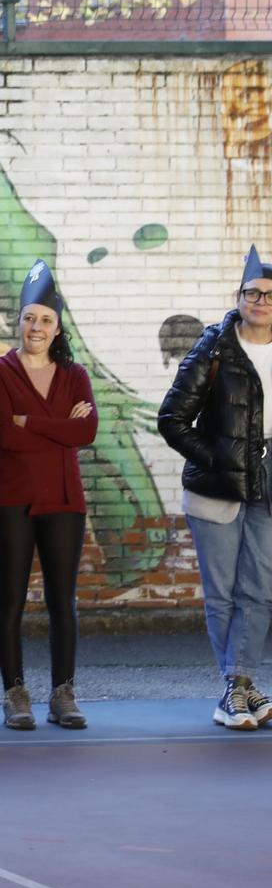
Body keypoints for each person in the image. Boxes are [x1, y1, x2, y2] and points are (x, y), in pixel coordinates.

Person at [157, 245, 272, 731]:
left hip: (268, 482)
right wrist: (218, 458)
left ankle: (240, 684)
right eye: (252, 292)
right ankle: (237, 686)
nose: (260, 301)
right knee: (222, 592)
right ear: (239, 296)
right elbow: (172, 418)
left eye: (268, 294)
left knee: (260, 588)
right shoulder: (215, 348)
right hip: (218, 487)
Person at [0, 261, 97, 731]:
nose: (36, 327)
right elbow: (7, 439)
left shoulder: (75, 373)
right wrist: (59, 429)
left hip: (64, 500)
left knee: (61, 599)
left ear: (57, 327)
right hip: (10, 498)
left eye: (45, 320)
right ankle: (15, 693)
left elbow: (86, 431)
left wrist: (33, 422)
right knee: (10, 597)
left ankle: (63, 692)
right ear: (19, 320)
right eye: (30, 318)